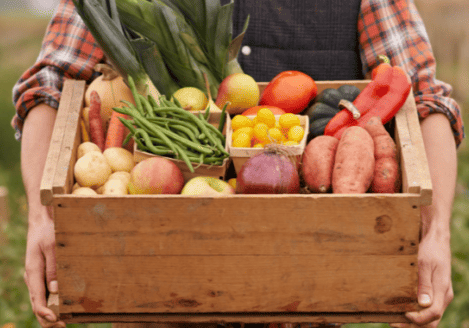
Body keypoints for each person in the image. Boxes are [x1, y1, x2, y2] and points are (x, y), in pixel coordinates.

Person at [12, 0, 463, 327]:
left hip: (311, 289)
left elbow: (423, 98)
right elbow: (50, 84)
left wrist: (436, 231)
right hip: (159, 288)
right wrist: (41, 215)